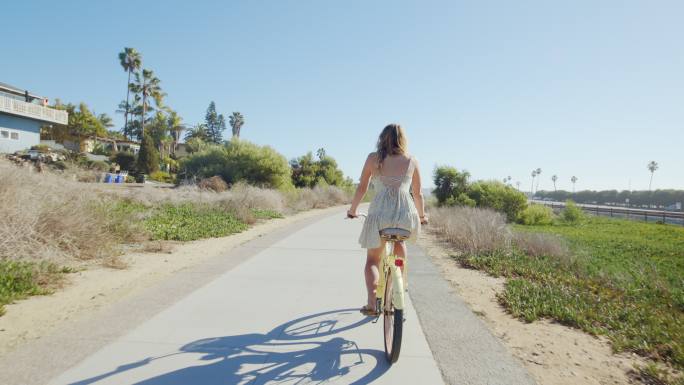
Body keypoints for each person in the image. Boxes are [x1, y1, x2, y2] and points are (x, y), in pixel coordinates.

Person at [347, 124, 428, 316]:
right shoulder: (412, 160)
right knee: (400, 241)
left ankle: (371, 303)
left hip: (380, 215)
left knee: (373, 260)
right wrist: (422, 216)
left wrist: (352, 210)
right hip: (404, 216)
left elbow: (362, 188)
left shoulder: (373, 159)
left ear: (382, 138)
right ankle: (401, 283)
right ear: (403, 140)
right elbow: (417, 194)